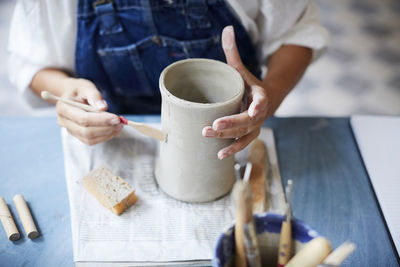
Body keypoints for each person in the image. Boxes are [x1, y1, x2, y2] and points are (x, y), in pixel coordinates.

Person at [8, 0, 329, 159]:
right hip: (113, 132)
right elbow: (32, 63)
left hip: (230, 139)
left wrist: (268, 96)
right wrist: (66, 90)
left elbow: (296, 32)